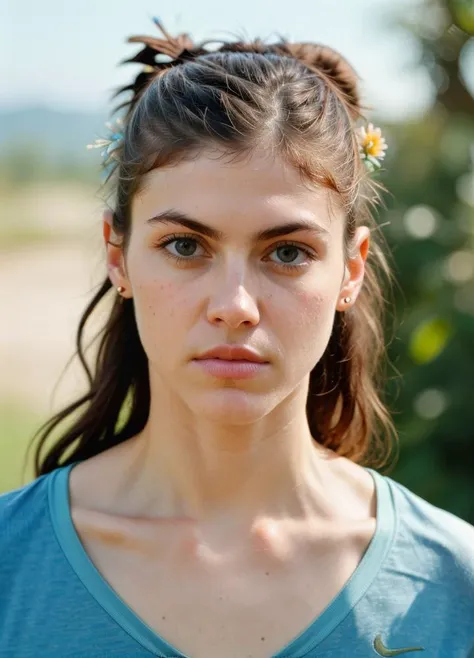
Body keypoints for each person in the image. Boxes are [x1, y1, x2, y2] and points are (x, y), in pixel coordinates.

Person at [1, 17, 473, 658]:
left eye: (286, 252)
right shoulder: (11, 567)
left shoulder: (453, 583)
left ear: (351, 269)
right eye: (185, 245)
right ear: (118, 256)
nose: (234, 307)